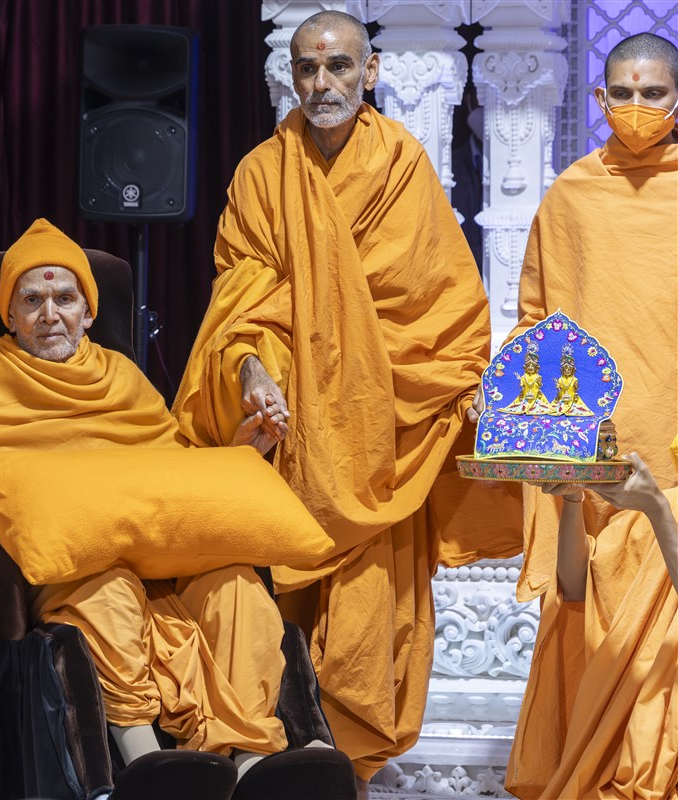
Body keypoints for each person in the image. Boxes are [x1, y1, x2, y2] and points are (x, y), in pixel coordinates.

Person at [0, 219, 344, 798]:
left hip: (160, 563)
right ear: (10, 316)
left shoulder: (122, 378)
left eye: (65, 299)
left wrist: (242, 455)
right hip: (72, 570)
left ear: (89, 312)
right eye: (32, 301)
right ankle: (146, 765)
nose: (50, 315)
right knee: (107, 589)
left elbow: (169, 470)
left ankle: (250, 760)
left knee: (236, 585)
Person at [172, 9, 522, 790]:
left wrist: (451, 388)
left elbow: (440, 301)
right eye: (307, 68)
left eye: (337, 66)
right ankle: (285, 768)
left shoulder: (401, 164)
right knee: (280, 611)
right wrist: (249, 368)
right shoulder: (261, 173)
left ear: (370, 72)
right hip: (290, 432)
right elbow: (241, 299)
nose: (321, 83)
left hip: (377, 431)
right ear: (290, 76)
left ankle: (351, 771)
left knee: (369, 620)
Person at [509, 32, 678, 602]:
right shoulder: (571, 194)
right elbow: (537, 318)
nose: (638, 107)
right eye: (623, 94)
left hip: (672, 432)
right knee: (584, 602)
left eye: (653, 93)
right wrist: (505, 391)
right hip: (590, 435)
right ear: (601, 99)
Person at [506, 439, 678, 798]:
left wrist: (658, 509)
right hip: (627, 726)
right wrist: (572, 500)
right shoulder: (659, 509)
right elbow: (577, 586)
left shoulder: (660, 509)